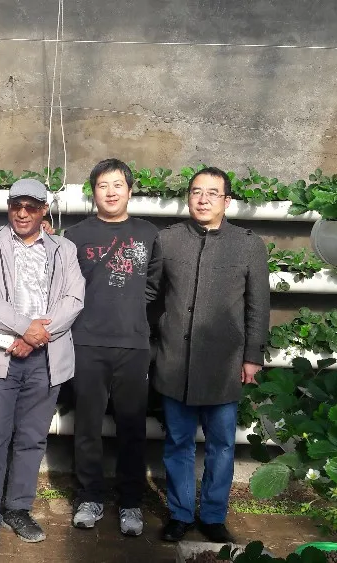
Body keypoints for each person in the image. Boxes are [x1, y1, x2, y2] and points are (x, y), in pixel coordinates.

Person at [0, 178, 86, 559]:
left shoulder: (64, 249)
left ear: (44, 210)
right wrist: (23, 328)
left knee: (32, 438)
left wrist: (34, 337)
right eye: (16, 205)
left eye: (31, 207)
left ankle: (17, 508)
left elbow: (73, 298)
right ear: (8, 207)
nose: (22, 213)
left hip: (45, 358)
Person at [152, 167, 270, 543]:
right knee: (178, 443)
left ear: (227, 201)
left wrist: (252, 356)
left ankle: (214, 515)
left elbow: (258, 306)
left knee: (221, 444)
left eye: (212, 193)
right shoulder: (168, 240)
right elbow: (152, 296)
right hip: (175, 361)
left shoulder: (248, 245)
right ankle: (180, 514)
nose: (202, 200)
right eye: (196, 192)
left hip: (224, 364)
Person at [62, 158, 162, 536]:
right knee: (87, 426)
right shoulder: (76, 235)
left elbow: (154, 286)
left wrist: (131, 310)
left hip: (133, 345)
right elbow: (66, 286)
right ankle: (89, 496)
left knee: (132, 427)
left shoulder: (148, 233)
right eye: (103, 185)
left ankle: (131, 501)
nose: (110, 192)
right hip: (86, 342)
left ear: (129, 190)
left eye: (117, 184)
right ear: (93, 192)